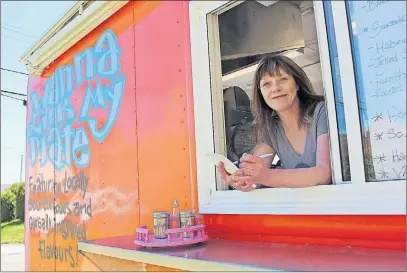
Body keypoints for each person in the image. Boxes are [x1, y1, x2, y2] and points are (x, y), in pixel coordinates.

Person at [217, 55, 332, 191]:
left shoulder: (322, 112)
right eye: (267, 84)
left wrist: (266, 176)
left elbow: (324, 175)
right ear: (261, 94)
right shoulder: (270, 128)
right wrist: (242, 180)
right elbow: (254, 182)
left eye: (283, 79)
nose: (275, 88)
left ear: (297, 84)